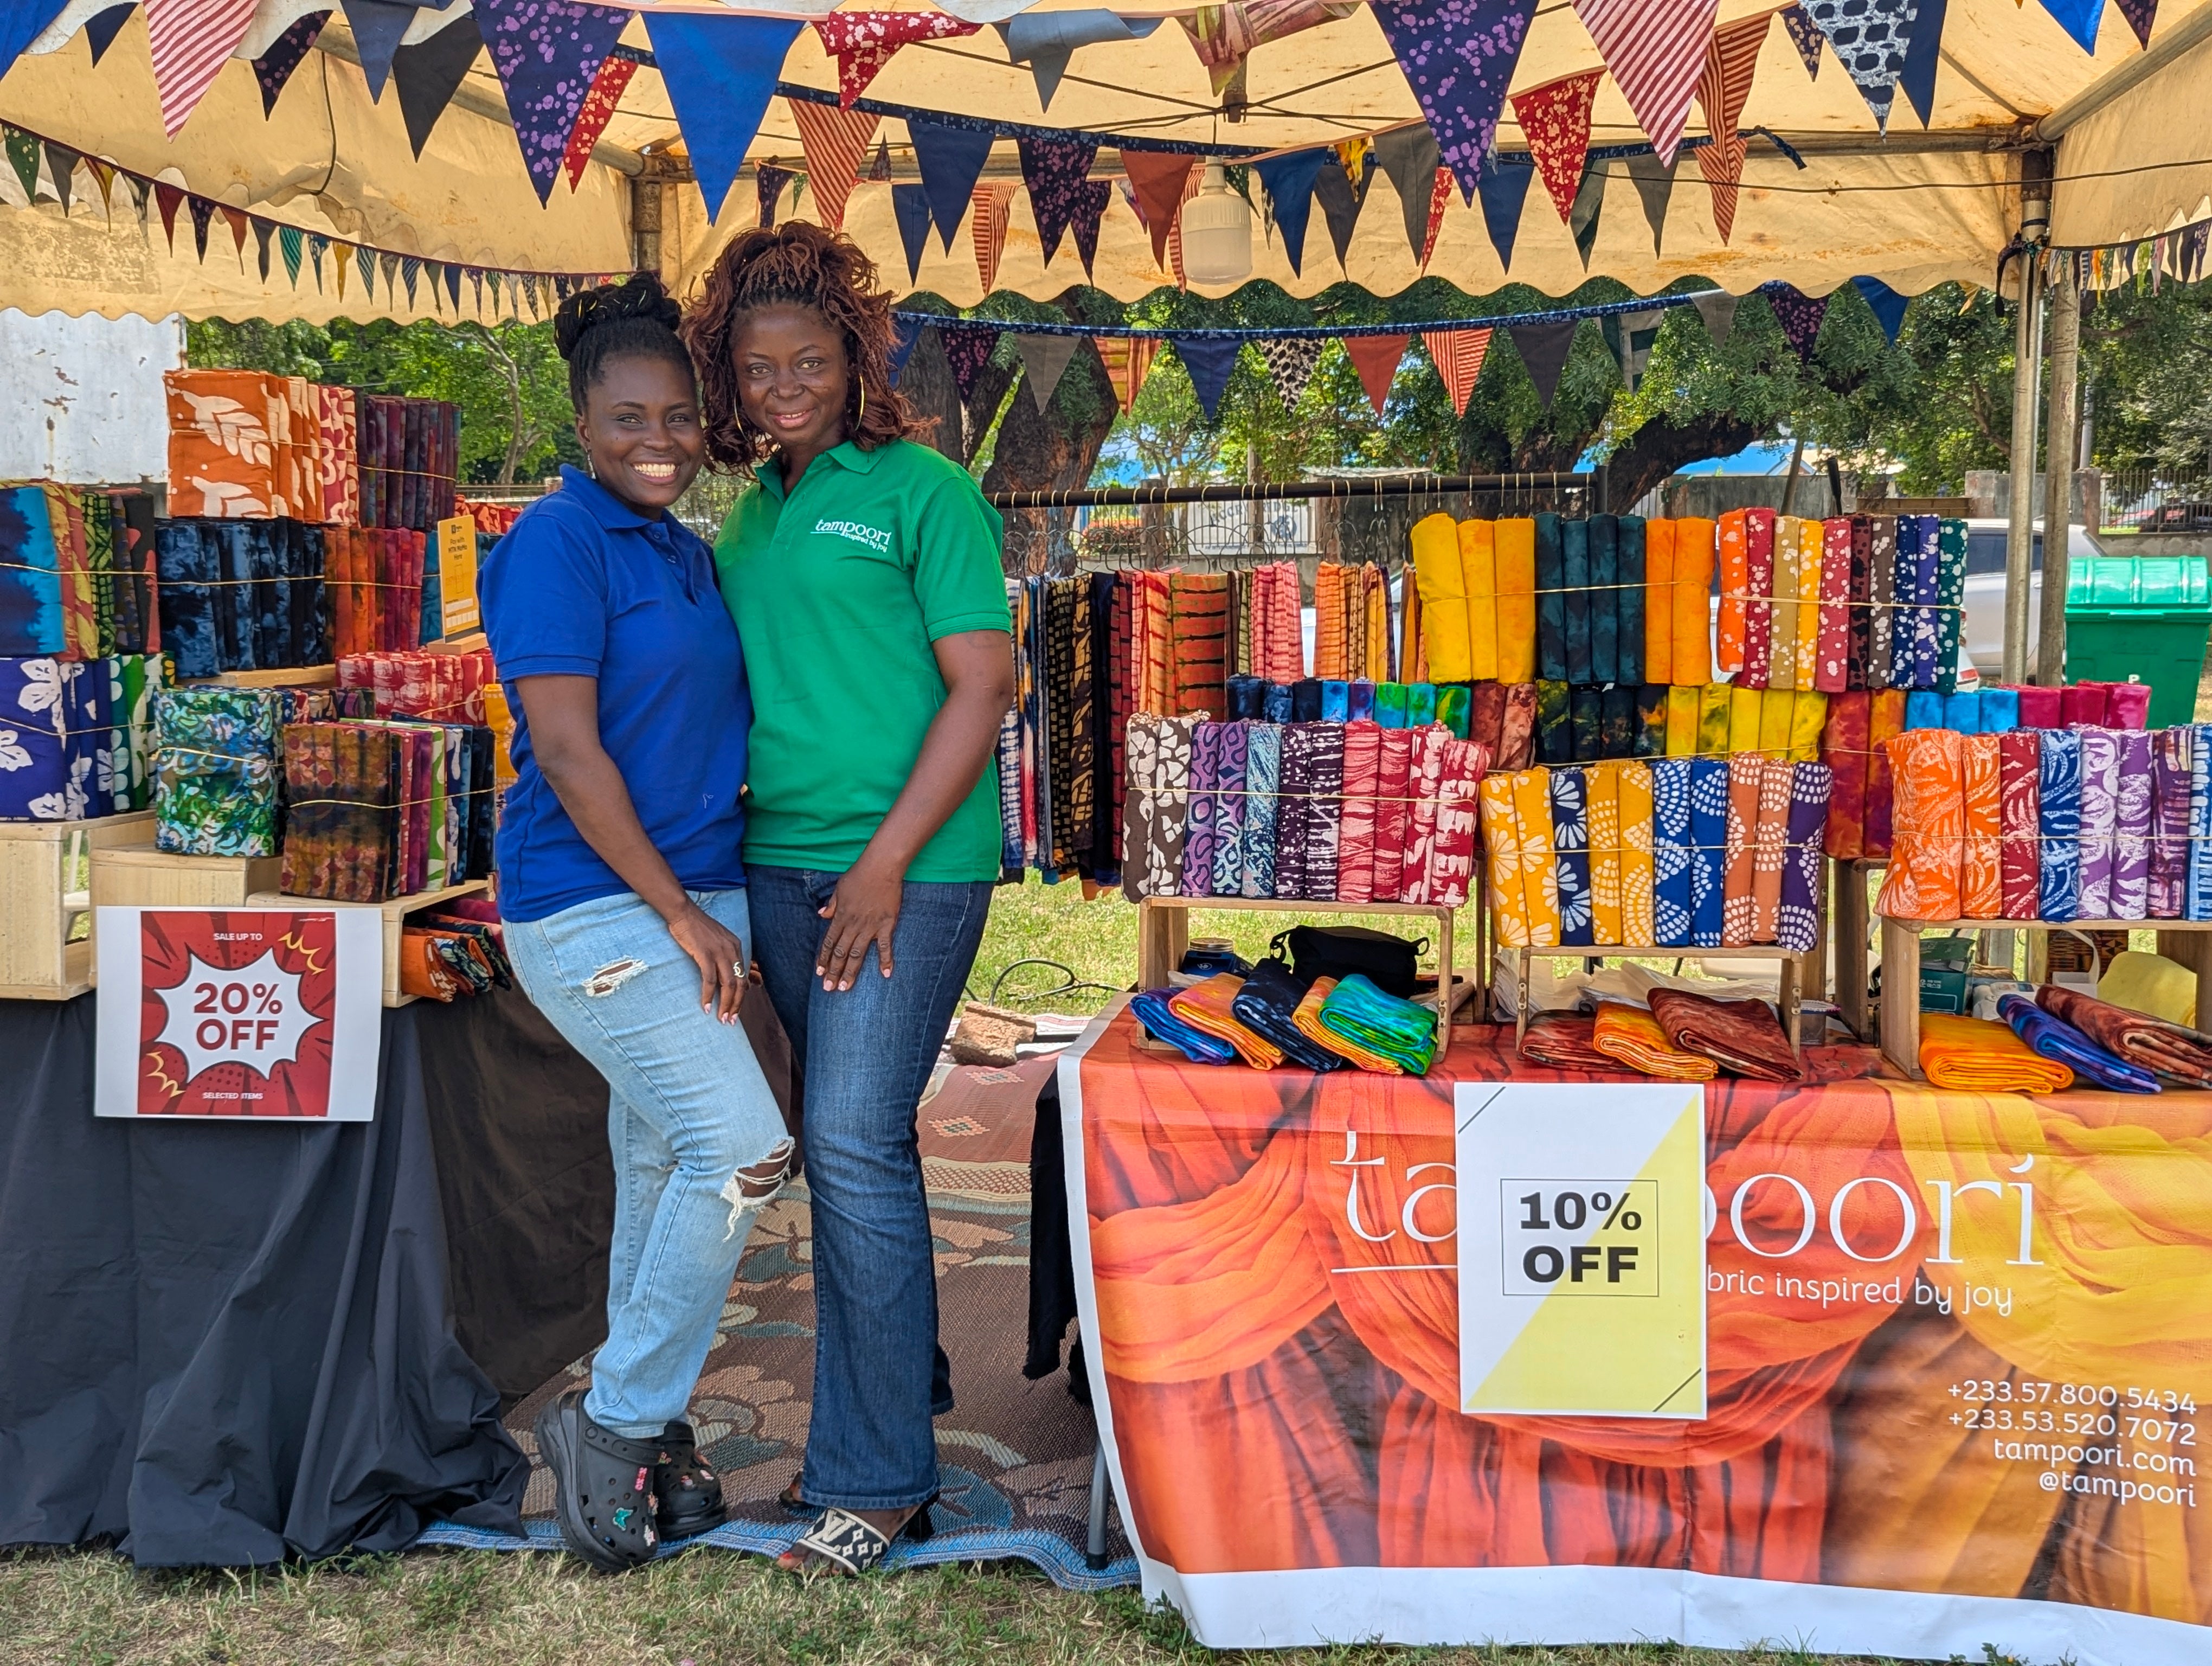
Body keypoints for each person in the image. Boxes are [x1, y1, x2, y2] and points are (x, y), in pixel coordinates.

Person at [683, 224, 1014, 1575]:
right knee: (847, 1147)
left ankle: (878, 1482)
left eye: (806, 360)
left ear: (853, 352)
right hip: (779, 862)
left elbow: (984, 686)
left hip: (906, 871)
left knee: (855, 1140)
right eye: (756, 369)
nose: (783, 387)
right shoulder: (753, 506)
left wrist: (882, 863)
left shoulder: (923, 490)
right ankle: (908, 1382)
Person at [480, 273, 793, 1573]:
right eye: (627, 419)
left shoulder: (687, 547)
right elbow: (565, 747)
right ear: (581, 417)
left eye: (676, 415)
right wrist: (676, 911)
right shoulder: (556, 543)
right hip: (598, 904)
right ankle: (610, 1427)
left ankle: (651, 1436)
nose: (656, 440)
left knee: (668, 1164)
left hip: (702, 893)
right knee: (740, 1150)